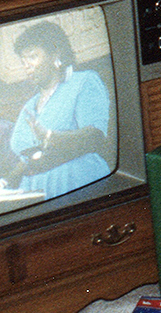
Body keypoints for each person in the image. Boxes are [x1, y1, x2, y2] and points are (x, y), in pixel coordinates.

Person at [0, 20, 112, 198]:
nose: (26, 65)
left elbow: (95, 136)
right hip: (36, 193)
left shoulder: (83, 82)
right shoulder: (29, 106)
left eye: (32, 56)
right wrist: (4, 183)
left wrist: (50, 137)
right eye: (23, 60)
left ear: (55, 53)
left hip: (78, 183)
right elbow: (27, 159)